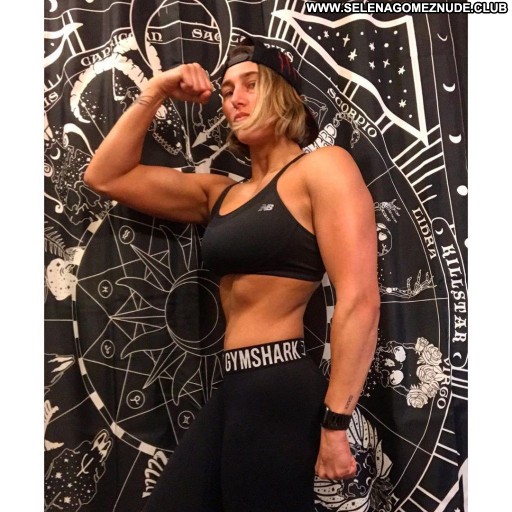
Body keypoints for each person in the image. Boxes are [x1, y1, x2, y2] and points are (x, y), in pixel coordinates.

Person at [84, 37, 380, 512]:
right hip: (233, 388)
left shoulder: (323, 168)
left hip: (279, 388)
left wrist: (336, 424)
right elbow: (105, 176)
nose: (235, 99)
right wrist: (157, 90)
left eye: (251, 84)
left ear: (284, 95)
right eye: (226, 91)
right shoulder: (220, 194)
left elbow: (360, 300)